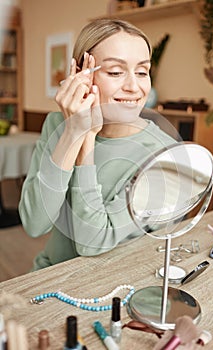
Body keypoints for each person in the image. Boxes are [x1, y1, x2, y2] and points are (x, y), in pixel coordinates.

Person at [19, 18, 176, 270]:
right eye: (115, 72)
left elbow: (91, 244)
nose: (134, 87)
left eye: (142, 72)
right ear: (82, 76)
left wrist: (87, 143)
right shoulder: (56, 124)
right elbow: (34, 223)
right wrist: (73, 133)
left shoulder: (165, 155)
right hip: (50, 276)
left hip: (116, 288)